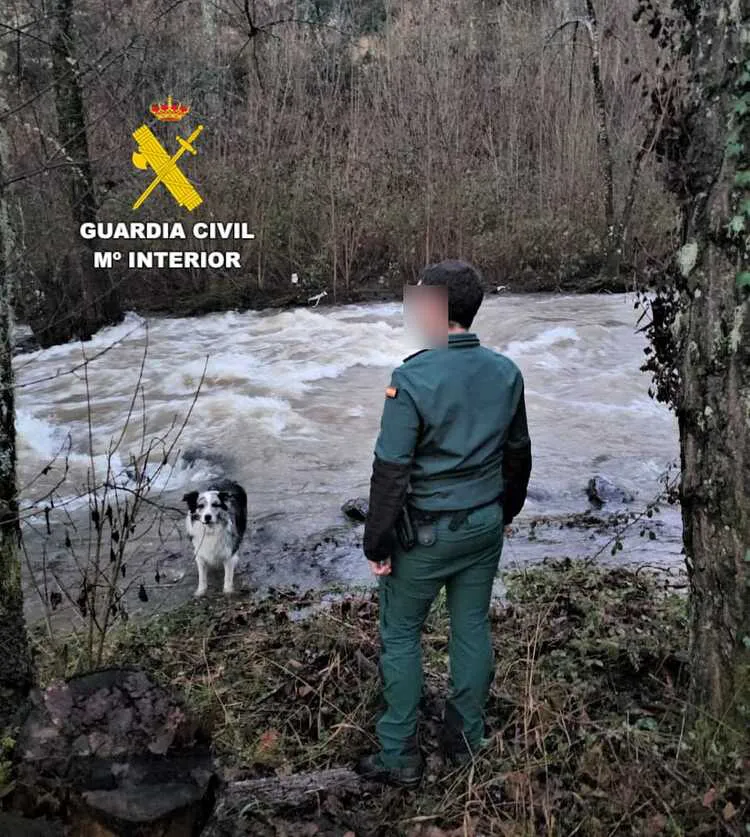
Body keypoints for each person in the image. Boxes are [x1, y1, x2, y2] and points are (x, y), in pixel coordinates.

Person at [357, 260, 532, 787]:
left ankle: (398, 756)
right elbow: (519, 452)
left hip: (426, 534)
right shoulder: (506, 372)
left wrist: (377, 543)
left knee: (402, 633)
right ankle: (466, 742)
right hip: (483, 523)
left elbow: (390, 472)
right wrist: (507, 511)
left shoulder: (410, 377)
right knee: (472, 626)